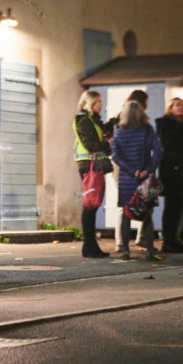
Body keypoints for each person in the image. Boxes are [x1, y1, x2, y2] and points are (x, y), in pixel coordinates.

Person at [111, 100, 162, 261]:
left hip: (126, 179)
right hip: (145, 180)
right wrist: (148, 169)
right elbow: (158, 150)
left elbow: (116, 157)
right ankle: (149, 252)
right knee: (146, 214)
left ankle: (126, 251)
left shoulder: (119, 132)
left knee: (127, 214)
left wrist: (132, 171)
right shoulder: (147, 130)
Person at [105, 90, 150, 251]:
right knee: (143, 200)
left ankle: (121, 242)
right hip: (130, 165)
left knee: (125, 203)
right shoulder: (134, 120)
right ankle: (137, 238)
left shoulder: (118, 118)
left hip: (121, 166)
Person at [73, 90, 113, 258]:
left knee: (92, 205)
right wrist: (106, 144)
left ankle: (90, 245)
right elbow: (90, 145)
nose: (100, 105)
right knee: (90, 205)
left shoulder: (93, 121)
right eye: (97, 102)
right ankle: (89, 246)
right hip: (89, 165)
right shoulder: (83, 120)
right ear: (89, 103)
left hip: (93, 165)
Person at [156, 97, 183, 252]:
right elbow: (170, 141)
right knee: (171, 205)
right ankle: (168, 240)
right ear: (170, 108)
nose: (181, 108)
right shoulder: (164, 123)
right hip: (171, 169)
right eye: (177, 105)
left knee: (179, 205)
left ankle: (175, 238)